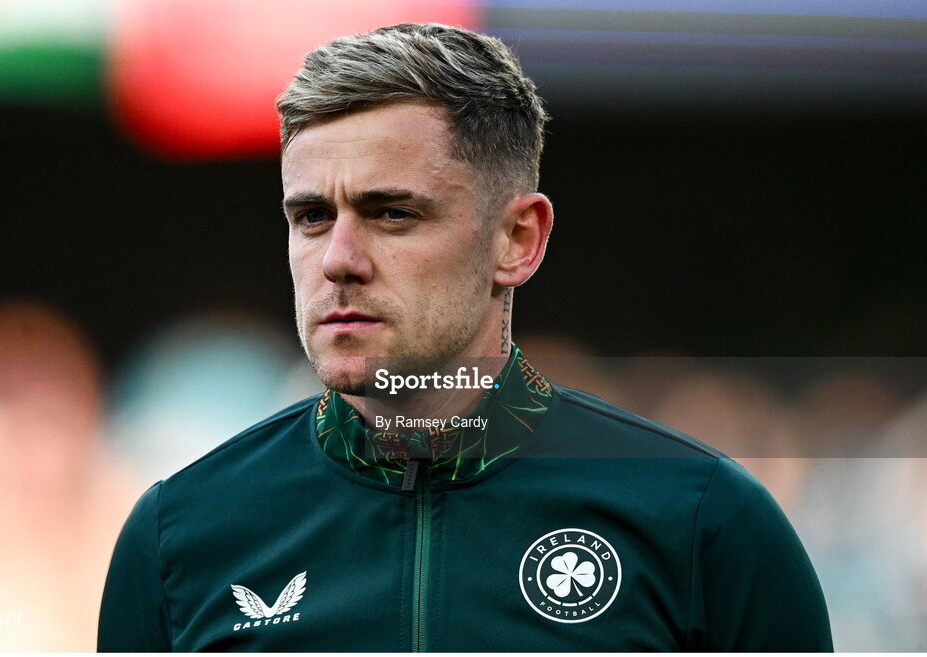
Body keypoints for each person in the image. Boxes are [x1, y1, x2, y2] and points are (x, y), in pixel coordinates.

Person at [98, 23, 832, 651]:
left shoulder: (705, 524)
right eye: (312, 216)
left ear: (517, 239)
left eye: (392, 214)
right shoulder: (178, 534)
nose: (338, 260)